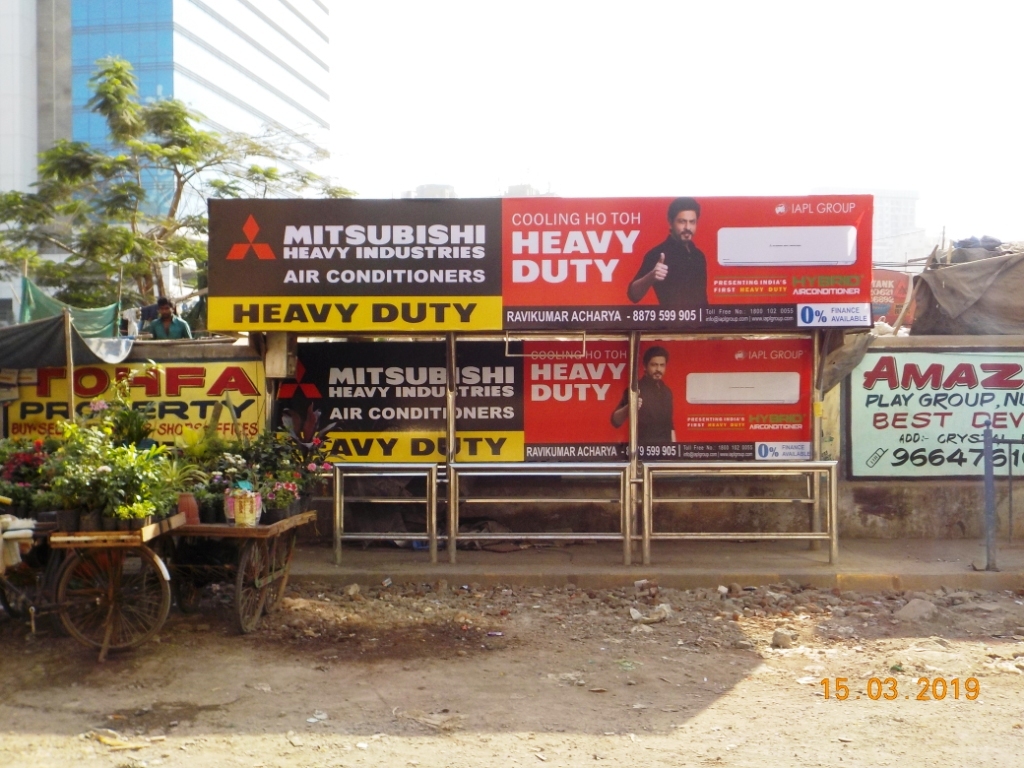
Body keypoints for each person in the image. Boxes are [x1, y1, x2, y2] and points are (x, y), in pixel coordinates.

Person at [627, 197, 707, 308]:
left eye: (692, 222)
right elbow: (633, 295)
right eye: (682, 222)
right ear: (670, 222)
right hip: (672, 324)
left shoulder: (698, 255)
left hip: (702, 323)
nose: (688, 227)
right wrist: (651, 277)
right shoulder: (657, 254)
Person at [610, 346, 675, 444]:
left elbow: (669, 425)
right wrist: (630, 407)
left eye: (662, 365)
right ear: (645, 366)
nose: (658, 369)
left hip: (665, 453)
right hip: (643, 453)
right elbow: (615, 421)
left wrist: (675, 453)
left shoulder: (667, 392)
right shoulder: (635, 389)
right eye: (654, 365)